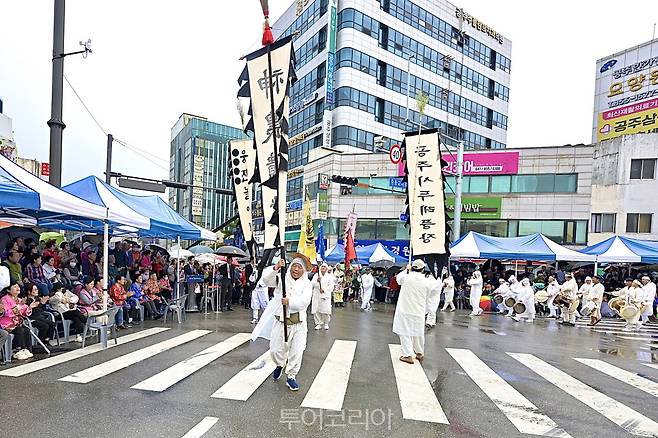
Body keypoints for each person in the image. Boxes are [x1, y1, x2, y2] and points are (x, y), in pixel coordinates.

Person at [263, 255, 313, 392]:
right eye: (294, 266)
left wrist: (289, 302)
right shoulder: (282, 278)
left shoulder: (307, 284)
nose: (296, 269)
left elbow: (305, 302)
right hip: (281, 321)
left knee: (297, 351)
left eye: (299, 267)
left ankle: (291, 376)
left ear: (303, 270)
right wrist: (276, 268)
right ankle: (280, 364)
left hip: (298, 323)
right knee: (274, 349)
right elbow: (266, 280)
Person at [393, 259, 437, 365]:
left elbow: (398, 279)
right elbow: (433, 291)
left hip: (405, 309)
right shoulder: (427, 281)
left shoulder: (406, 277)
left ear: (412, 267)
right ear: (423, 269)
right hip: (419, 310)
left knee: (404, 332)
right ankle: (419, 353)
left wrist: (405, 270)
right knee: (418, 333)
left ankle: (408, 355)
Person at [0, 283, 34, 359]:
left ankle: (26, 349)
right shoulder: (4, 299)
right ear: (8, 290)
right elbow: (6, 313)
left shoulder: (19, 299)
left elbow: (25, 312)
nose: (17, 288)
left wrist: (30, 307)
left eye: (18, 286)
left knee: (26, 330)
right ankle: (17, 350)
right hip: (6, 323)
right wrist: (18, 306)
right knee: (19, 330)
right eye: (15, 287)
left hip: (16, 323)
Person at [311, 263, 335, 330]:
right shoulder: (316, 275)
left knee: (325, 310)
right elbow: (312, 284)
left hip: (325, 295)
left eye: (324, 267)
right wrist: (317, 282)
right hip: (316, 295)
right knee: (316, 310)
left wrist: (324, 290)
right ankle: (318, 323)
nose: (323, 268)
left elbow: (331, 286)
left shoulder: (329, 277)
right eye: (322, 267)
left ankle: (326, 323)